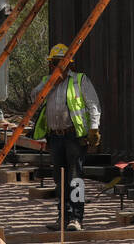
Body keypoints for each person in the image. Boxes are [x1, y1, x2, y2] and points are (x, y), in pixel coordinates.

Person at [32, 42, 102, 232]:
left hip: (74, 137)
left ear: (69, 64)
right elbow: (34, 97)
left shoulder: (80, 80)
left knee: (75, 178)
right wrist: (48, 85)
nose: (57, 67)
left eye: (61, 63)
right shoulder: (48, 81)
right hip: (55, 137)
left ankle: (76, 218)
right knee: (59, 179)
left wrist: (93, 129)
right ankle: (63, 217)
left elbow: (93, 105)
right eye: (54, 63)